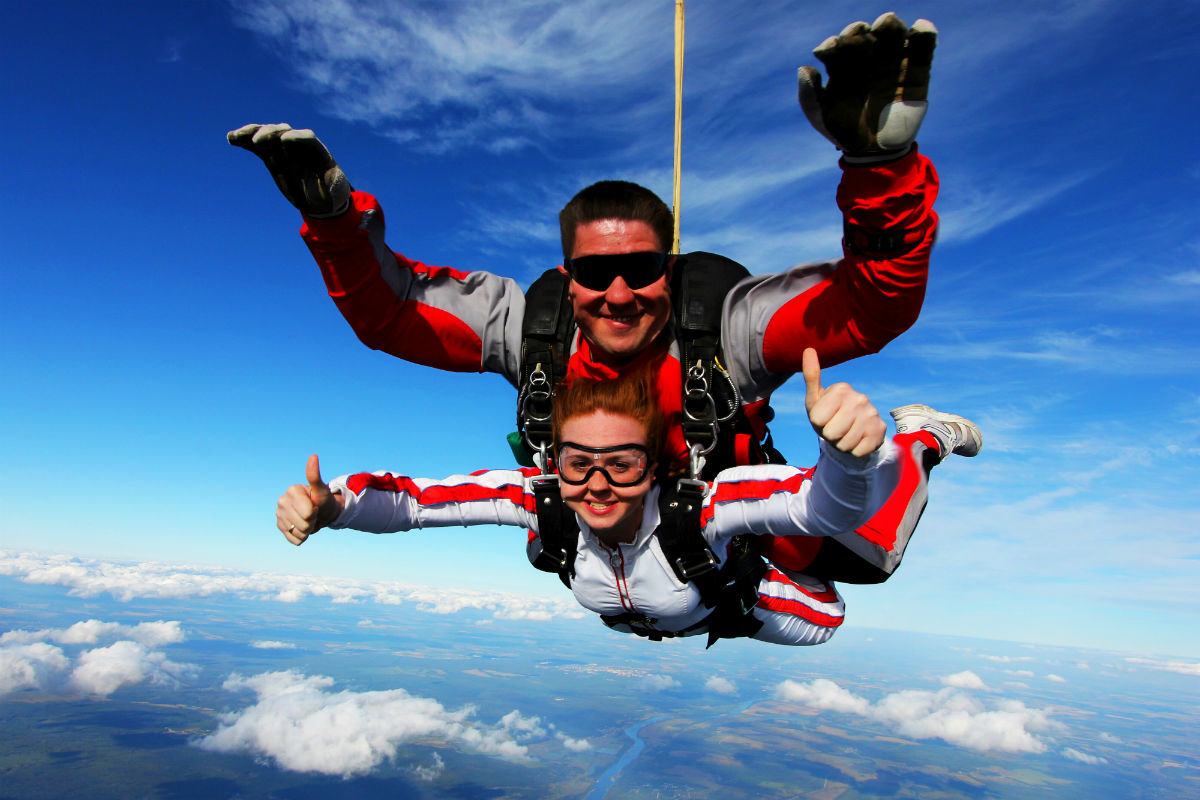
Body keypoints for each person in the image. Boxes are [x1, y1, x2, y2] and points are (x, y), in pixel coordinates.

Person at [243, 13, 945, 581]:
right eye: (593, 272)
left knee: (862, 560)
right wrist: (334, 224)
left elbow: (871, 305)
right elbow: (394, 315)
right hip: (611, 518)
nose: (617, 294)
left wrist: (880, 169)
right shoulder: (534, 332)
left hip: (726, 504)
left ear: (669, 269)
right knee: (558, 546)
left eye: (641, 268)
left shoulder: (726, 331)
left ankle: (919, 440)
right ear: (566, 273)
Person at [276, 349, 981, 647]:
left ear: (655, 468)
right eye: (578, 463)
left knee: (869, 562)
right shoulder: (541, 498)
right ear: (554, 463)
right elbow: (416, 501)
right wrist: (334, 506)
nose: (597, 483)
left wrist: (847, 456)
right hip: (673, 602)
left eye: (622, 463)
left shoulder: (701, 505)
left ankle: (920, 438)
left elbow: (820, 507)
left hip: (731, 598)